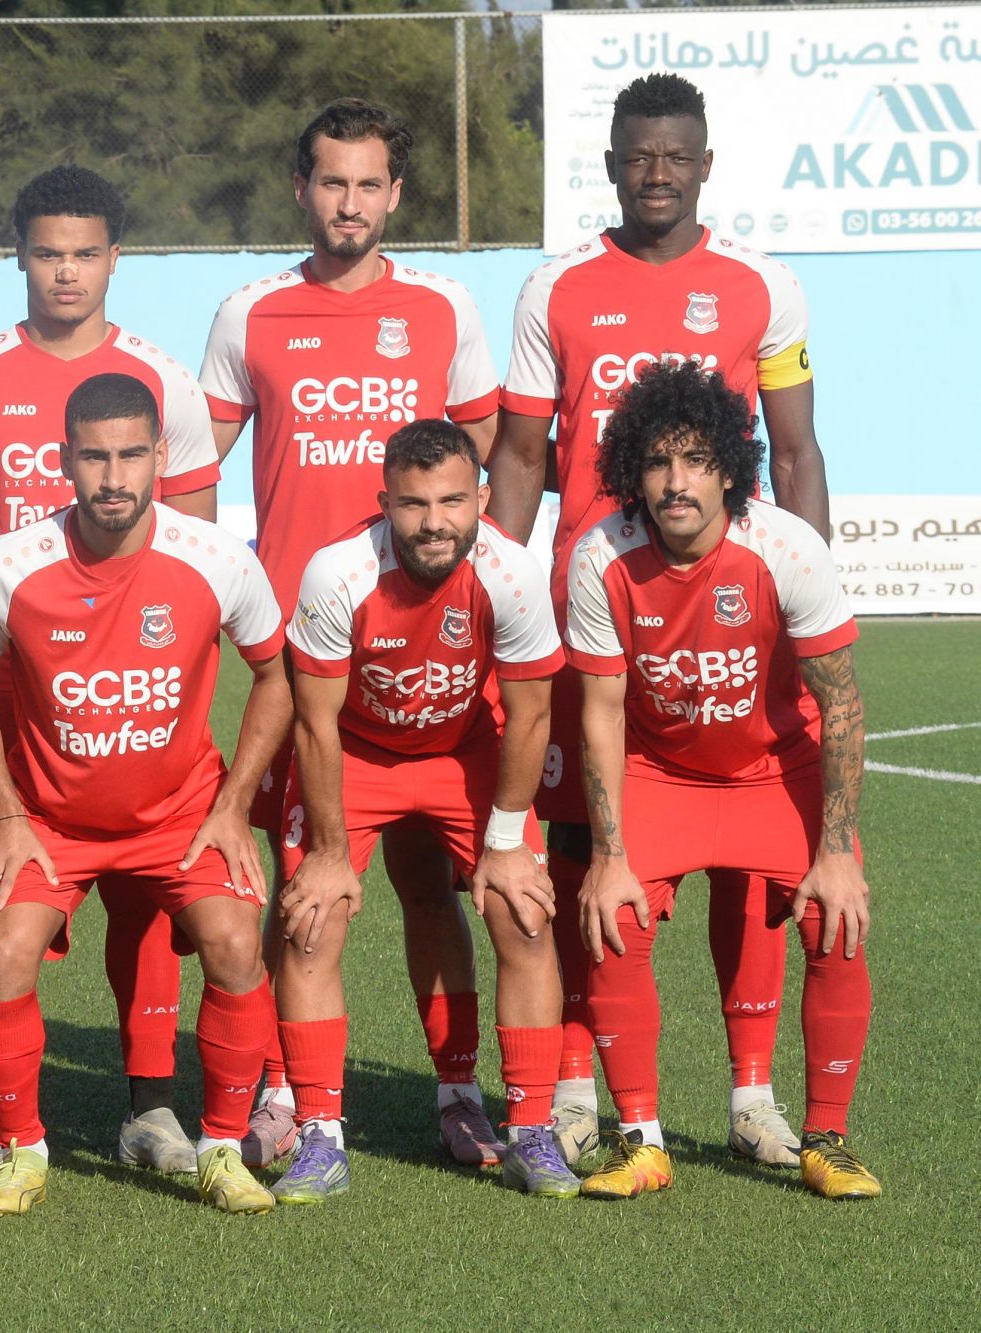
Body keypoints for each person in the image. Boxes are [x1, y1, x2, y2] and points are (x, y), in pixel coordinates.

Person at [485, 72, 831, 1167]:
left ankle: (750, 1096)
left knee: (747, 854)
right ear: (609, 165)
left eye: (676, 155)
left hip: (725, 614)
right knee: (583, 847)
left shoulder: (762, 286)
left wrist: (801, 591)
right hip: (591, 607)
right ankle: (576, 1084)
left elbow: (795, 453)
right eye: (638, 155)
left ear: (705, 164)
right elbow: (520, 457)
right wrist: (495, 594)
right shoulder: (554, 288)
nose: (656, 173)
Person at [198, 98, 505, 1169]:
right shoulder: (248, 313)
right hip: (303, 653)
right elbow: (193, 471)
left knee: (430, 883)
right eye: (331, 181)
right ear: (300, 188)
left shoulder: (441, 307)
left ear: (395, 195)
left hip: (428, 641)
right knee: (304, 887)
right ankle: (286, 1090)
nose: (349, 202)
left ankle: (458, 1090)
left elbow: (479, 459)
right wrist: (216, 594)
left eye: (369, 183)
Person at [0, 165, 222, 1177]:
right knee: (4, 888)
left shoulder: (163, 381)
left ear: (114, 258)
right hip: (16, 692)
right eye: (47, 253)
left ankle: (151, 1105)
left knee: (145, 895)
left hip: (134, 692)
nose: (66, 272)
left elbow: (195, 537)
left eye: (85, 253)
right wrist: (14, 616)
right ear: (18, 256)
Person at [0, 372, 288, 1217]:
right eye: (95, 457)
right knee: (0, 951)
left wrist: (231, 804)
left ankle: (221, 1146)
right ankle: (22, 1150)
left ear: (162, 455)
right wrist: (7, 812)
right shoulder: (8, 566)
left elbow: (276, 675)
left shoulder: (214, 558)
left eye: (132, 455)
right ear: (64, 459)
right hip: (50, 821)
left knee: (236, 941)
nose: (114, 477)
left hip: (180, 815)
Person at [564, 361, 876, 1201]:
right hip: (661, 769)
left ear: (731, 468)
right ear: (632, 471)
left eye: (696, 460)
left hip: (775, 768)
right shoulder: (601, 556)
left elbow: (841, 705)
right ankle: (642, 1141)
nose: (676, 482)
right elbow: (601, 713)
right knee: (612, 916)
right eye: (657, 461)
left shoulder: (787, 547)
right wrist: (609, 854)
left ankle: (828, 1139)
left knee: (837, 915)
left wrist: (836, 849)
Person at [274, 420, 579, 1203]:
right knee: (313, 916)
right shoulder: (338, 571)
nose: (434, 522)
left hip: (462, 753)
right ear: (386, 504)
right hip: (354, 754)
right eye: (413, 504)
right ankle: (318, 1133)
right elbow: (313, 724)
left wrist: (504, 844)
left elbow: (531, 715)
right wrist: (329, 852)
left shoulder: (510, 572)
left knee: (523, 912)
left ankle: (525, 1127)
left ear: (482, 498)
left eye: (451, 501)